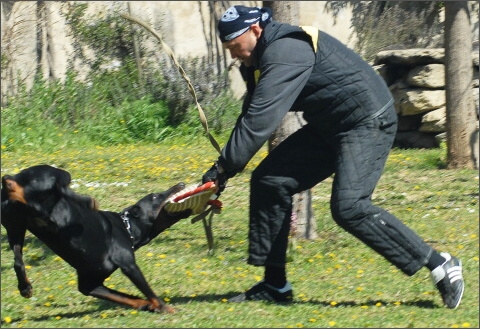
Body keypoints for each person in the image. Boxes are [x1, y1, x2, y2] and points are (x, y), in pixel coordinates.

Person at [201, 5, 464, 309]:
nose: (234, 55)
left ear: (255, 31)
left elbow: (261, 120)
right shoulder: (256, 61)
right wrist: (219, 173)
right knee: (270, 181)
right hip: (329, 125)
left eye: (235, 46)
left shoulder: (286, 49)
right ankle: (275, 285)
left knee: (349, 207)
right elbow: (251, 115)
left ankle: (440, 263)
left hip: (367, 121)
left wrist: (222, 168)